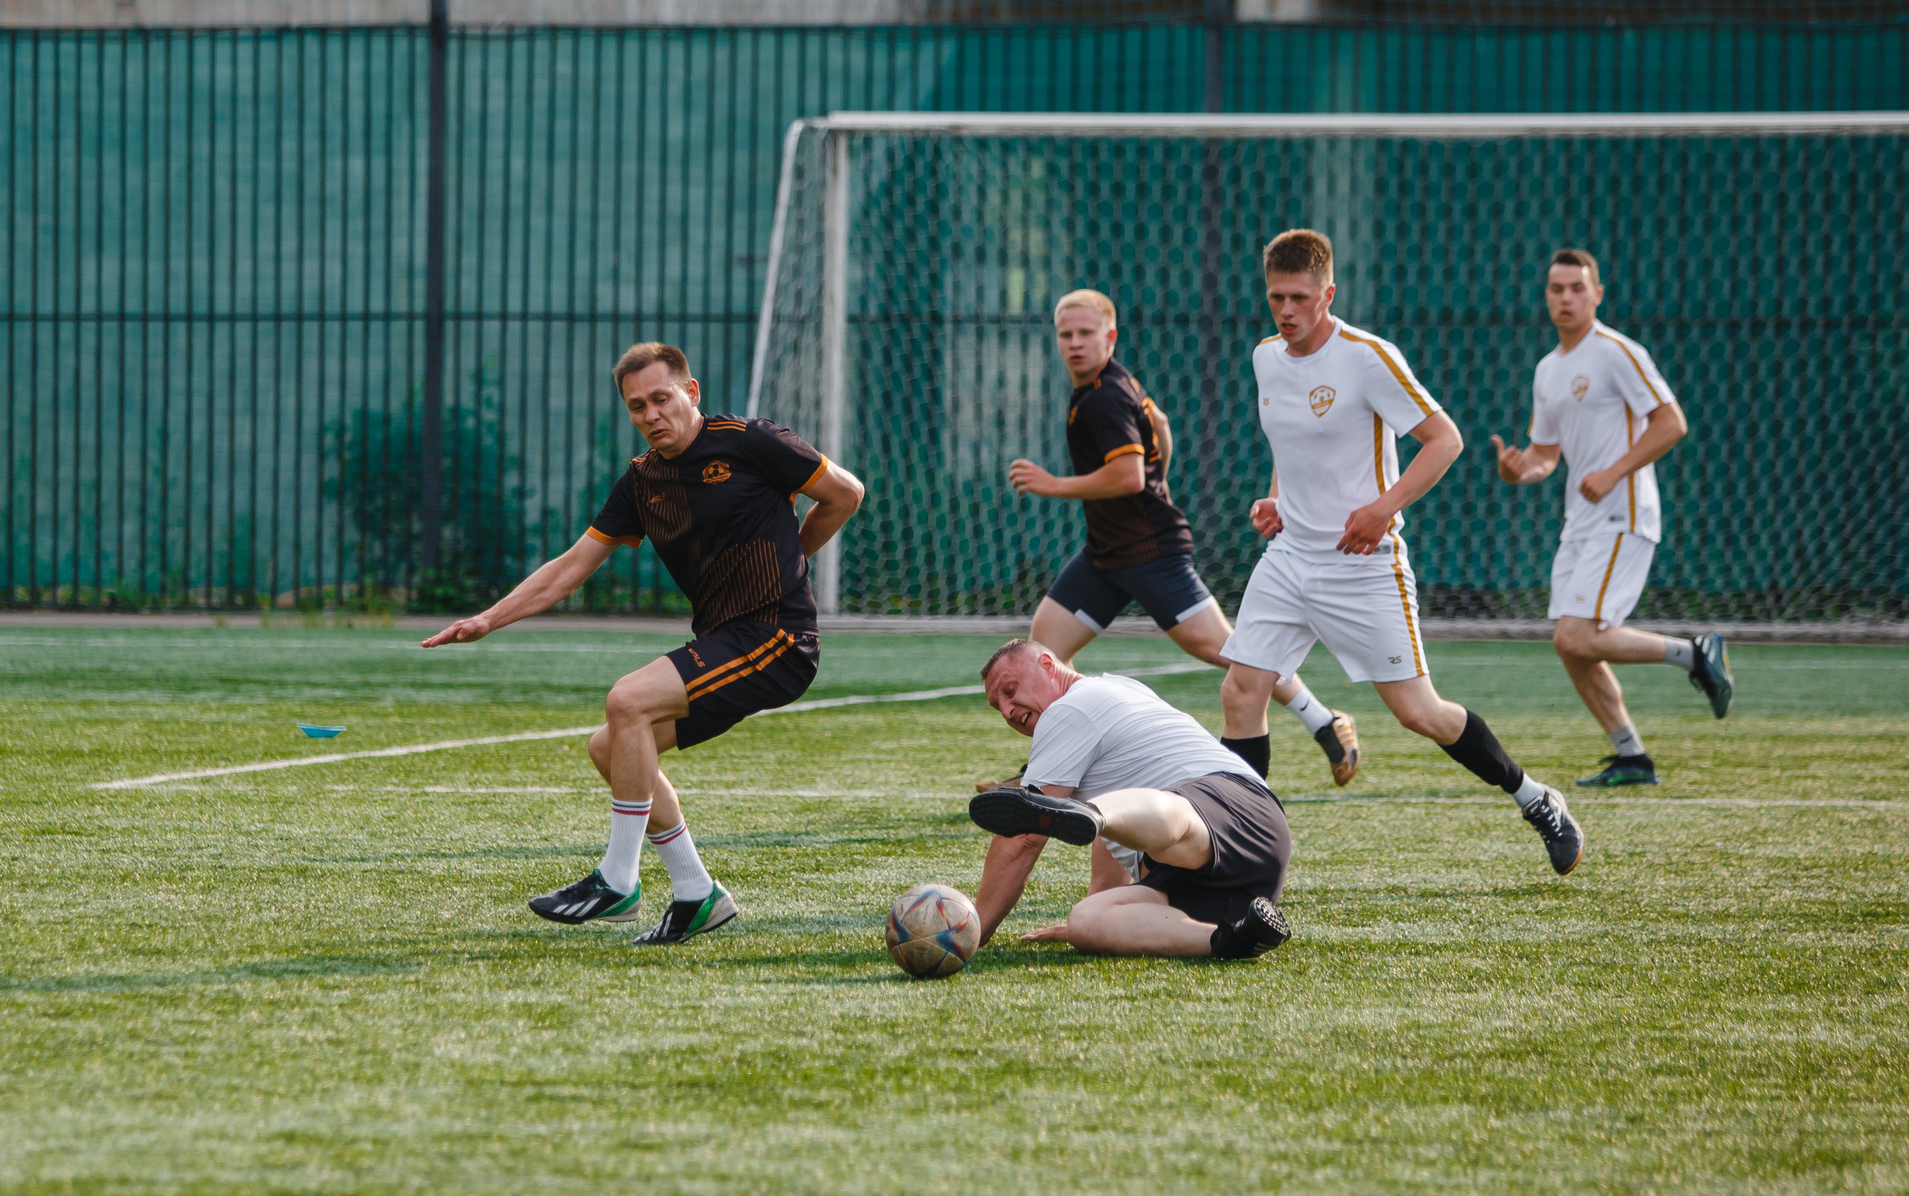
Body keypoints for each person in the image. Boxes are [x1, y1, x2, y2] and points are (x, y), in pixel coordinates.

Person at [423, 341, 865, 945]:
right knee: (612, 747)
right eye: (637, 406)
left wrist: (795, 556)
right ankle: (697, 893)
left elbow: (846, 493)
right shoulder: (641, 481)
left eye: (661, 398)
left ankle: (617, 880)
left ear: (691, 392)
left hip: (777, 637)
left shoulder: (751, 441)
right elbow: (570, 568)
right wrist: (487, 619)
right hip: (726, 641)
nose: (651, 414)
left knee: (627, 700)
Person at [1220, 229, 1586, 876]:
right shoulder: (1265, 357)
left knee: (1420, 713)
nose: (1286, 310)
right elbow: (1290, 444)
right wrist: (1276, 497)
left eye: (1300, 297)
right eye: (1276, 296)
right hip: (1290, 557)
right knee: (1242, 690)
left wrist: (1381, 509)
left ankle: (1535, 797)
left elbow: (1445, 440)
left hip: (1362, 565)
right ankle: (1240, 851)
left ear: (1328, 294)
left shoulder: (1367, 358)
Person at [1005, 287, 1359, 787]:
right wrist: (1161, 477)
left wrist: (1053, 484)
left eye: (1086, 333)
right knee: (1045, 649)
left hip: (1150, 554)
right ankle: (1049, 769)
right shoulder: (1109, 383)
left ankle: (1324, 721)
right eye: (1066, 334)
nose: (1075, 343)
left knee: (1232, 652)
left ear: (1110, 336)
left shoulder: (1104, 396)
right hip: (1106, 554)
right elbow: (1161, 425)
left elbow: (1128, 476)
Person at [1491, 249, 1732, 787]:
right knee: (1570, 643)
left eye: (1577, 288)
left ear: (1597, 294)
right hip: (1581, 519)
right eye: (1557, 288)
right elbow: (1545, 455)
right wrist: (1518, 471)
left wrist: (1614, 471)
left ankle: (1695, 655)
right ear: (1546, 296)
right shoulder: (1548, 369)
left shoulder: (1617, 352)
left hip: (1623, 513)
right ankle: (1632, 757)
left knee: (1578, 636)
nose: (1566, 298)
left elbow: (1671, 422)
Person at [965, 639, 1292, 961]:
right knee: (1086, 920)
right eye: (998, 707)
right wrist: (1104, 905)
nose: (1007, 710)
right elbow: (1117, 838)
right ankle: (1234, 938)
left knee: (1166, 815)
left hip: (1231, 808)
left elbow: (1024, 837)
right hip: (1228, 887)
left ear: (1048, 665)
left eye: (1010, 691)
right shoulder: (1117, 689)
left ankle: (1095, 813)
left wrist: (973, 929)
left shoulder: (1069, 708)